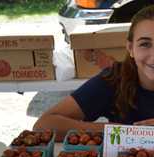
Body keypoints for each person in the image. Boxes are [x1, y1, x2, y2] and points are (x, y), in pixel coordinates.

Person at [33, 5, 154, 142]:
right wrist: (109, 131)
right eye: (145, 44)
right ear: (131, 48)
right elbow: (43, 125)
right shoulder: (115, 79)